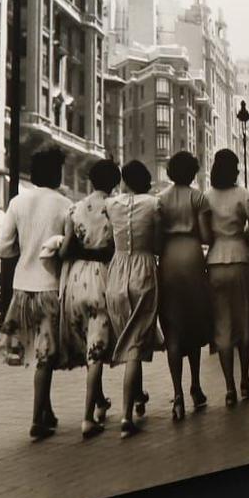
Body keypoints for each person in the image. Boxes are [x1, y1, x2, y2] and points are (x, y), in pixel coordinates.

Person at [0, 147, 72, 440]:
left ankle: (47, 411)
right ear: (57, 173)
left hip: (22, 287)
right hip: (50, 287)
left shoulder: (17, 201)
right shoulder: (65, 204)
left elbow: (3, 247)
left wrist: (23, 250)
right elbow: (67, 249)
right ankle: (36, 418)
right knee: (46, 355)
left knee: (40, 353)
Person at [59, 159, 121, 436]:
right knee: (96, 350)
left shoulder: (74, 208)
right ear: (115, 182)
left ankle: (100, 401)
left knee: (89, 344)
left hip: (76, 280)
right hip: (103, 278)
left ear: (91, 181)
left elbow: (64, 250)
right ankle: (87, 418)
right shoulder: (115, 207)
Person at [104, 160, 164, 436]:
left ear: (124, 181)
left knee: (129, 340)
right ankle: (127, 415)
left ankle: (138, 397)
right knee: (135, 346)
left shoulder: (110, 205)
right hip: (142, 271)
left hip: (116, 274)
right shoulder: (153, 205)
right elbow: (159, 243)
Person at [157, 151, 215, 420]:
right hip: (192, 257)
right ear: (193, 172)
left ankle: (177, 395)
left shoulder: (161, 200)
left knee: (173, 327)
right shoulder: (198, 197)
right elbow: (205, 235)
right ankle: (196, 386)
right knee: (193, 322)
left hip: (168, 261)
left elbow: (156, 239)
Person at [204, 149, 249, 405]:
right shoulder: (243, 194)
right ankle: (245, 380)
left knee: (223, 326)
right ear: (233, 169)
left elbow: (205, 235)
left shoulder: (206, 197)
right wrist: (246, 240)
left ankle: (228, 387)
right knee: (244, 321)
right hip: (240, 260)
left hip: (215, 262)